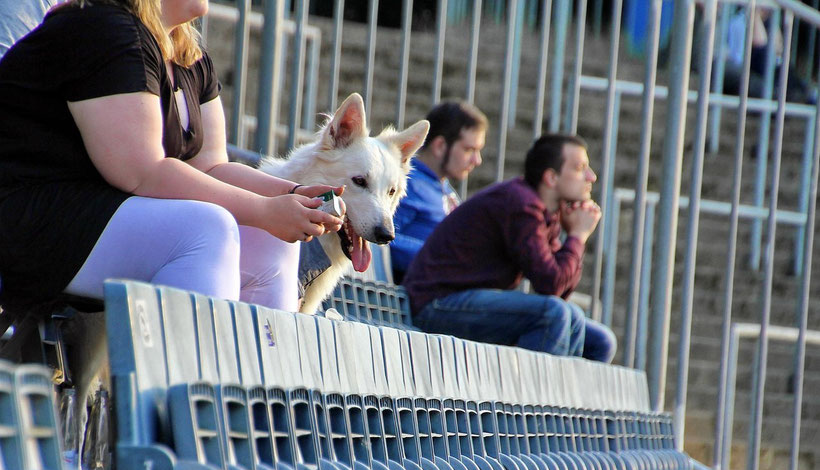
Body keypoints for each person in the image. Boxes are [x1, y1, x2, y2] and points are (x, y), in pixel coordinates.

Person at [0, 0, 345, 313]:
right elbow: (141, 172)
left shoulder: (186, 52)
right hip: (27, 215)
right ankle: (190, 381)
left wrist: (288, 197)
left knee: (269, 235)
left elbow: (211, 168)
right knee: (207, 228)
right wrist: (264, 209)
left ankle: (255, 379)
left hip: (91, 219)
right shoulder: (106, 29)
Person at [403, 134, 616, 363]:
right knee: (553, 314)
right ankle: (534, 398)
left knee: (595, 337)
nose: (591, 176)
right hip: (436, 304)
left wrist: (574, 237)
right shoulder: (521, 205)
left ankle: (564, 399)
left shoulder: (543, 210)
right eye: (579, 168)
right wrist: (577, 236)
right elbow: (550, 284)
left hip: (464, 302)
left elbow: (559, 289)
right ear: (551, 177)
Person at [390, 101, 487, 283]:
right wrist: (445, 258)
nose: (477, 160)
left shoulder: (442, 186)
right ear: (440, 146)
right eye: (469, 149)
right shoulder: (408, 183)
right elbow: (381, 243)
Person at [720, 6, 815, 104]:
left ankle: (806, 94)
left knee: (788, 73)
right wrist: (755, 17)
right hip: (753, 71)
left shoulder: (770, 23)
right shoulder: (740, 22)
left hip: (771, 72)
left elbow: (779, 51)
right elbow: (739, 57)